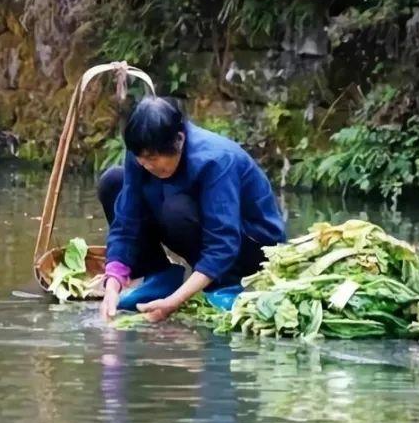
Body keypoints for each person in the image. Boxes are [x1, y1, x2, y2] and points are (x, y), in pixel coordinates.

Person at [98, 96, 286, 322]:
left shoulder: (214, 161)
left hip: (251, 247)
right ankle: (160, 276)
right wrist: (113, 282)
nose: (146, 165)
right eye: (140, 159)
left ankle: (224, 283)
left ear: (179, 140)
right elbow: (126, 220)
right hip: (195, 223)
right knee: (113, 183)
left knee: (176, 206)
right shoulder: (141, 155)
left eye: (153, 159)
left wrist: (174, 302)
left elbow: (223, 242)